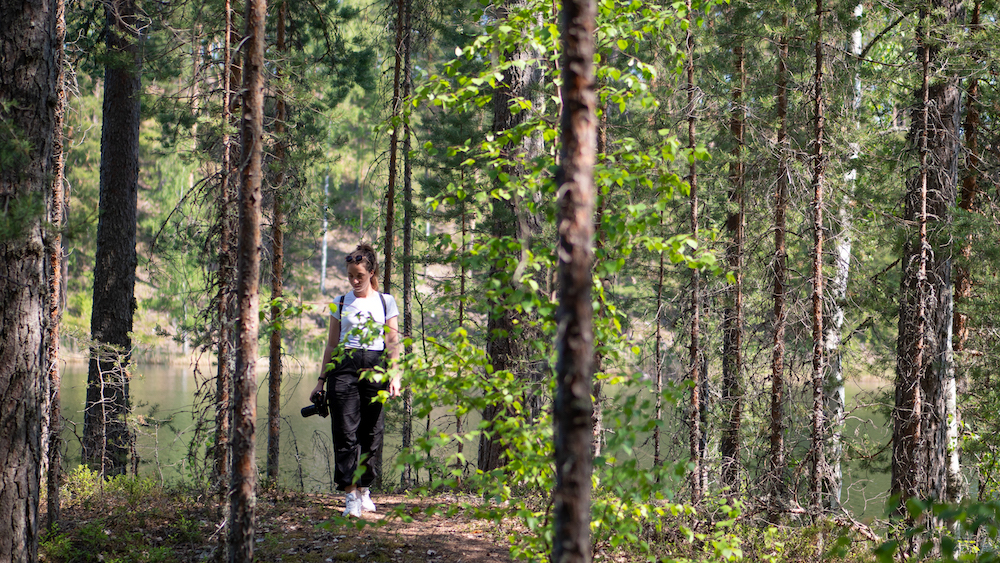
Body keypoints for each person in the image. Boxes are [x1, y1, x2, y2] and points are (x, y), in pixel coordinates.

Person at [311, 243, 401, 517]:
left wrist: (395, 374)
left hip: (376, 367)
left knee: (372, 433)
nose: (354, 280)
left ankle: (364, 490)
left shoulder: (386, 301)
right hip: (344, 369)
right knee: (345, 432)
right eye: (350, 275)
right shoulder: (340, 302)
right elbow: (331, 346)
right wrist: (320, 380)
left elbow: (393, 342)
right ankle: (350, 495)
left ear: (371, 272)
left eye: (359, 275)